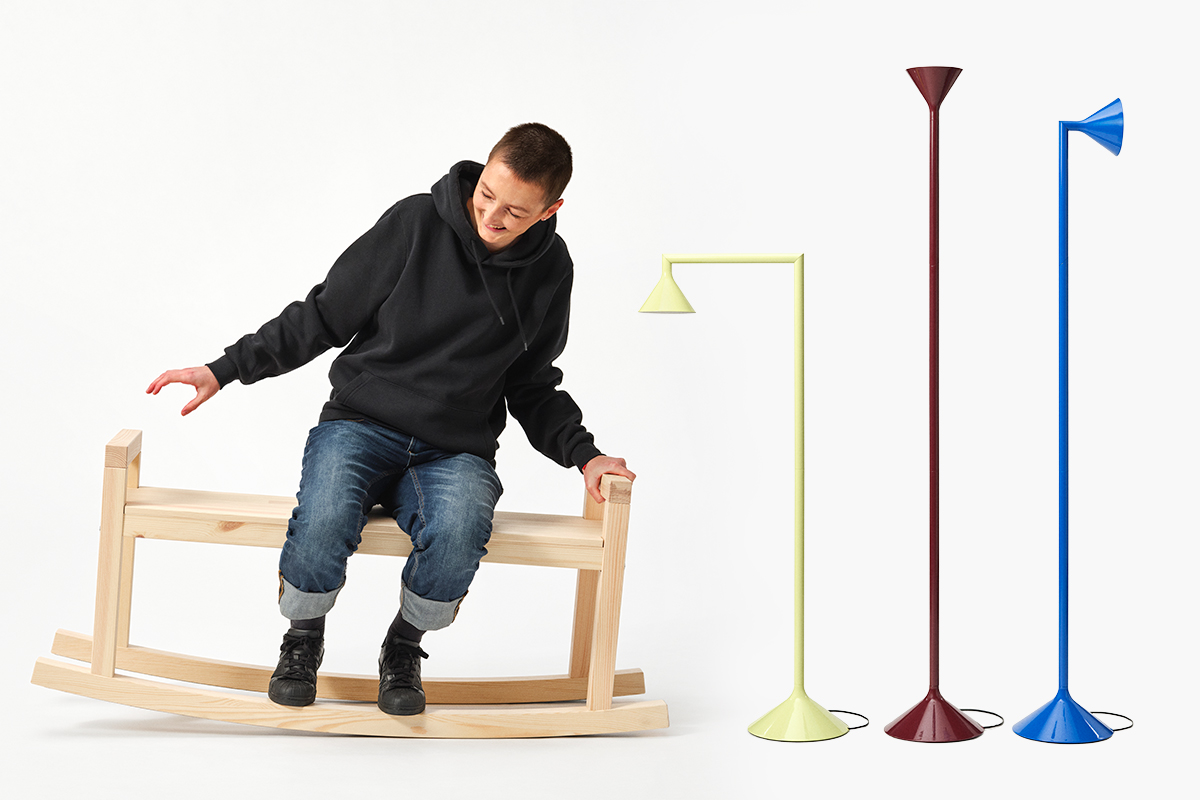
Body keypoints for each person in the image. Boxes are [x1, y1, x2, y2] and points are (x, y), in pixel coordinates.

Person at [147, 123, 635, 716]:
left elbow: (531, 383)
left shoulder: (551, 268)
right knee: (324, 519)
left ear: (550, 210)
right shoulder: (415, 222)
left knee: (458, 534)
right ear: (480, 173)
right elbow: (324, 315)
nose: (492, 216)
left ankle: (403, 646)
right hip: (361, 424)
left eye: (514, 211)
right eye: (486, 194)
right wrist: (224, 369)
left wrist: (585, 454)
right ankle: (303, 638)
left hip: (455, 449)